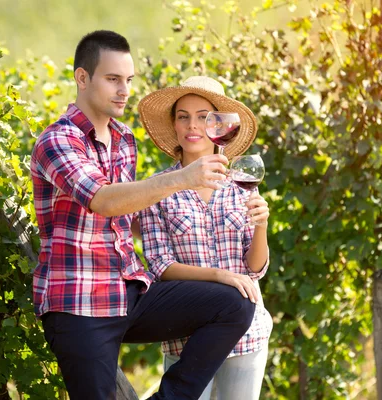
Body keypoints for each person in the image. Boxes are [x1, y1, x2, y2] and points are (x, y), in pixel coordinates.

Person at [29, 31, 256, 400]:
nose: (124, 90)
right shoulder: (57, 141)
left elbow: (124, 211)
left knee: (234, 305)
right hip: (80, 303)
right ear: (82, 78)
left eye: (129, 80)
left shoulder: (124, 140)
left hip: (129, 293)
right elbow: (102, 199)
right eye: (113, 79)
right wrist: (182, 179)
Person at [138, 76, 273, 400]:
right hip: (187, 339)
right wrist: (219, 276)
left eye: (203, 116)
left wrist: (261, 226)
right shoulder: (158, 188)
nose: (191, 125)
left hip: (247, 335)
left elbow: (253, 270)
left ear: (219, 126)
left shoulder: (240, 184)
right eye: (183, 116)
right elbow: (161, 266)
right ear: (174, 124)